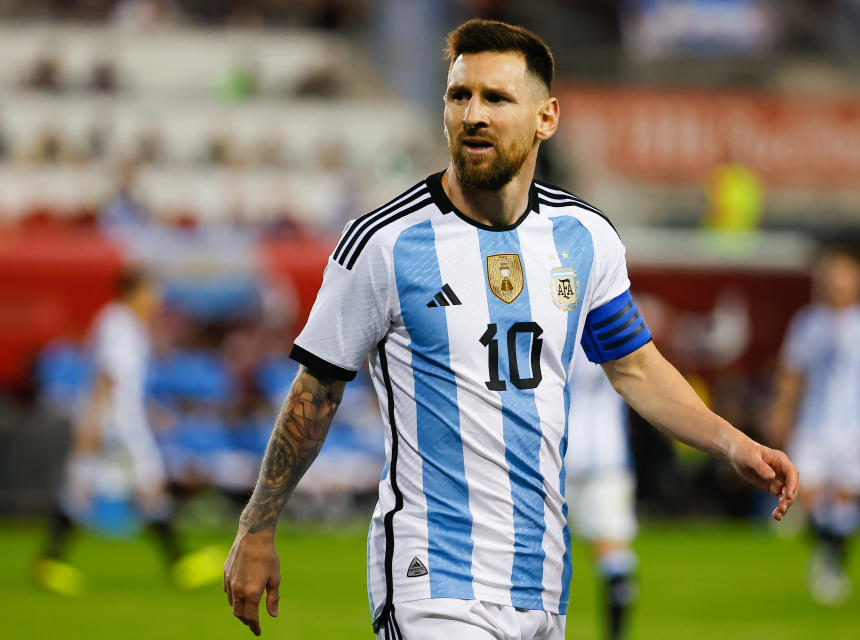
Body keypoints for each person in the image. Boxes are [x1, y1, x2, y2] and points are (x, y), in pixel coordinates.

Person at [224, 19, 799, 639]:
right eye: (459, 95)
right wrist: (256, 526)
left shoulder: (584, 238)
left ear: (545, 118)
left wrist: (736, 444)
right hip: (432, 577)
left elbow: (636, 367)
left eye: (496, 98)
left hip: (542, 578)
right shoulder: (384, 243)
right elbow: (317, 391)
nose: (473, 114)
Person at [33, 269, 221, 595]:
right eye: (152, 292)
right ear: (135, 292)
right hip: (115, 428)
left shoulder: (125, 326)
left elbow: (123, 384)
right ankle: (179, 561)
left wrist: (151, 411)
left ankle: (51, 558)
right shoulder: (119, 326)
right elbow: (107, 378)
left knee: (90, 486)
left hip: (117, 423)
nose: (157, 301)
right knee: (143, 484)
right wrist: (92, 424)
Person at [767, 247, 860, 605]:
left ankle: (831, 565)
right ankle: (826, 551)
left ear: (859, 282)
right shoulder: (808, 323)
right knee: (805, 494)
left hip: (856, 426)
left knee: (845, 499)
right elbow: (792, 374)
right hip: (814, 424)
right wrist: (781, 412)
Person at [565, 348, 637, 640]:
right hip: (608, 452)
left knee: (539, 549)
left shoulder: (544, 314)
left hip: (556, 449)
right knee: (613, 552)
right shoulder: (617, 310)